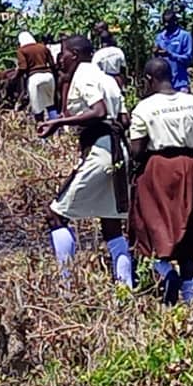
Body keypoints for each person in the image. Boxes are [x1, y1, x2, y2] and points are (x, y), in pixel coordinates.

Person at [39, 35, 133, 287]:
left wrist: (59, 122)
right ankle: (126, 287)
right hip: (118, 151)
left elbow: (98, 110)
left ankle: (66, 285)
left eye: (63, 54)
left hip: (100, 152)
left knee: (55, 215)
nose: (60, 59)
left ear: (76, 54)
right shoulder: (108, 79)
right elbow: (124, 120)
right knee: (112, 225)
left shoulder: (84, 74)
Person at [128, 57, 193, 304]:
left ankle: (165, 270)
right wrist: (183, 150)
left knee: (150, 221)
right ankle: (190, 293)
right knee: (186, 221)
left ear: (149, 80)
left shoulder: (144, 107)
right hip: (187, 167)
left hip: (156, 168)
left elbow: (137, 151)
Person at [15, 31, 58, 122]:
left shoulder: (22, 50)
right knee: (51, 105)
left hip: (34, 78)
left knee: (37, 108)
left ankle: (41, 128)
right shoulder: (43, 47)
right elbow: (52, 64)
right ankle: (56, 126)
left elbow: (23, 67)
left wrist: (15, 77)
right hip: (48, 76)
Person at [153, 10, 193, 93]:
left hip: (180, 83)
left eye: (169, 22)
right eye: (164, 22)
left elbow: (188, 59)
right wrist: (155, 53)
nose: (166, 25)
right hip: (163, 84)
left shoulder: (185, 36)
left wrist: (170, 54)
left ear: (175, 22)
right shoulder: (160, 37)